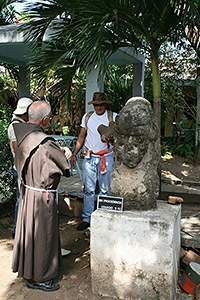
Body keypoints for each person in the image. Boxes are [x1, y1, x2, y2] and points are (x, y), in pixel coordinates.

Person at [12, 101, 71, 292]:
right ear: (46, 119)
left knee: (31, 234)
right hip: (42, 196)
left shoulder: (22, 134)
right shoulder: (44, 142)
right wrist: (67, 154)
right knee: (44, 236)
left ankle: (30, 270)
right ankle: (42, 277)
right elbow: (63, 166)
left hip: (28, 192)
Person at [71, 92, 117, 231]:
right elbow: (81, 136)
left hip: (106, 156)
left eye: (101, 104)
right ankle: (87, 218)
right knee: (89, 189)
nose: (99, 107)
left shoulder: (113, 116)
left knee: (105, 189)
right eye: (96, 105)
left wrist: (109, 140)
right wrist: (74, 154)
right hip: (90, 156)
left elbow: (121, 139)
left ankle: (104, 218)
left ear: (105, 104)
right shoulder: (88, 117)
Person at [7, 97, 33, 239]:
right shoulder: (15, 126)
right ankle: (17, 230)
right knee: (21, 199)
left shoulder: (22, 124)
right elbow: (18, 149)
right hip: (20, 168)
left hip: (22, 167)